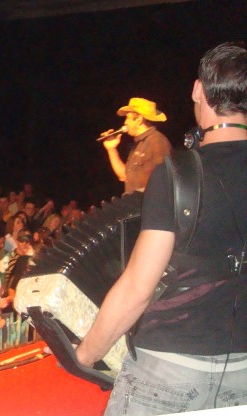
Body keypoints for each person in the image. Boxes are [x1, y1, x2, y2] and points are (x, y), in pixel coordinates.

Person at [76, 42, 246, 415]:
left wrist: (85, 354)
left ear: (198, 90)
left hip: (171, 365)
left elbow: (138, 288)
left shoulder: (177, 171)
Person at [100, 97, 172, 194]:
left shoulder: (157, 141)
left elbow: (163, 180)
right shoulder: (138, 145)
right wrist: (111, 149)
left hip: (149, 202)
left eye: (128, 118)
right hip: (135, 203)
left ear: (139, 120)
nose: (125, 122)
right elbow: (123, 176)